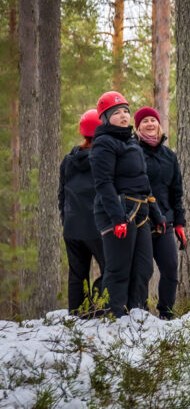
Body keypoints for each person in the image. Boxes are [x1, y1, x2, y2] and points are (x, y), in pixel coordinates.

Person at [90, 91, 165, 317]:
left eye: (125, 112)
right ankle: (113, 318)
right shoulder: (103, 143)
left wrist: (158, 216)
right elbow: (104, 183)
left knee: (143, 268)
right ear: (105, 118)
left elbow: (144, 183)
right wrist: (117, 219)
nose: (123, 116)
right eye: (117, 113)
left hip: (141, 210)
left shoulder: (132, 143)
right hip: (118, 212)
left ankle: (137, 315)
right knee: (119, 269)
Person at [135, 107, 187, 319]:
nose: (149, 123)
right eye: (145, 121)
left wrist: (180, 223)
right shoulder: (133, 152)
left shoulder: (169, 156)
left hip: (165, 221)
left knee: (171, 269)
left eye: (153, 120)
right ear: (138, 127)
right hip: (141, 220)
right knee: (143, 271)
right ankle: (139, 314)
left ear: (159, 125)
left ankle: (166, 313)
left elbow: (177, 192)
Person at [59, 109, 106, 314]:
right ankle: (98, 306)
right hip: (96, 226)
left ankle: (77, 315)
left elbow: (62, 194)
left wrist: (65, 219)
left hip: (72, 227)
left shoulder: (68, 160)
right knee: (112, 269)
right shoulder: (103, 160)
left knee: (77, 274)